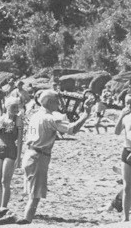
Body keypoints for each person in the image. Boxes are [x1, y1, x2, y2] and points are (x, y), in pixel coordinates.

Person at [18, 90, 92, 224]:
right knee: (35, 195)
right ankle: (26, 221)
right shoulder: (49, 118)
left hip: (29, 154)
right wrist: (85, 114)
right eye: (56, 102)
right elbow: (72, 129)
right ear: (50, 102)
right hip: (39, 157)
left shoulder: (36, 115)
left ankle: (27, 218)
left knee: (31, 191)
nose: (58, 105)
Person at [0, 97, 23, 208]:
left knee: (5, 181)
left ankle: (3, 208)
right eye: (13, 107)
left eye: (17, 107)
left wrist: (19, 158)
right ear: (7, 107)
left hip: (11, 151)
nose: (15, 109)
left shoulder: (18, 120)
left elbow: (20, 140)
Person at [114, 93, 131, 222]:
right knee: (127, 186)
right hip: (126, 152)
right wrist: (120, 116)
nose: (129, 105)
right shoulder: (125, 117)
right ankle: (126, 217)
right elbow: (117, 132)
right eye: (126, 103)